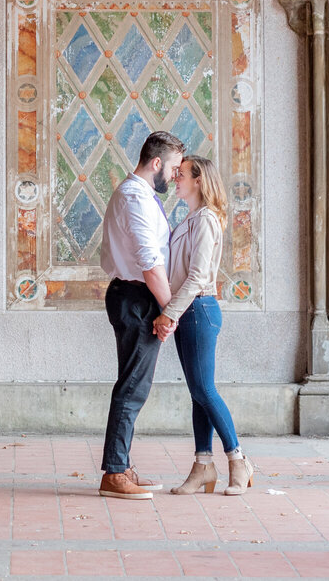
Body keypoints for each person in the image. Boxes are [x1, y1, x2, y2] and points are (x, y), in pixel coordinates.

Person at [155, 154, 252, 495]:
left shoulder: (207, 219)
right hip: (188, 312)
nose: (175, 180)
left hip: (198, 310)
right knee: (198, 392)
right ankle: (203, 466)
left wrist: (170, 313)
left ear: (199, 180)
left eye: (180, 175)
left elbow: (196, 277)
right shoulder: (190, 219)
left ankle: (238, 460)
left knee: (205, 390)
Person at [96, 130, 186, 500]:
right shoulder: (135, 197)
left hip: (136, 296)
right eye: (175, 168)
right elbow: (150, 262)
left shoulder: (139, 195)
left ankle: (122, 465)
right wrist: (171, 310)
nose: (177, 176)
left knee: (134, 384)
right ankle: (114, 473)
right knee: (132, 387)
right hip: (137, 298)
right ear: (156, 163)